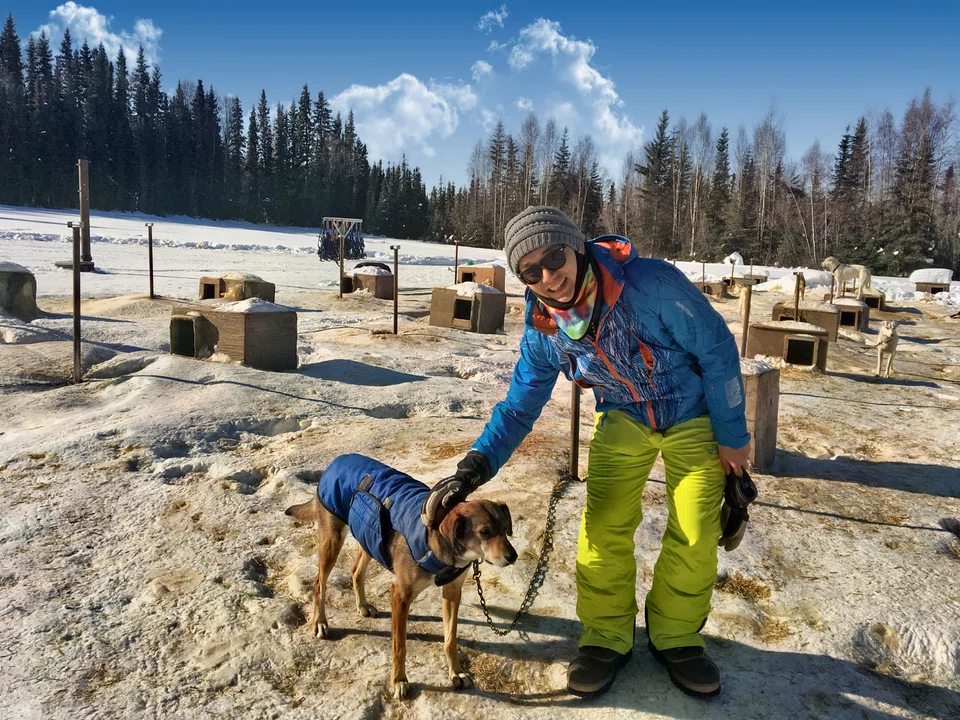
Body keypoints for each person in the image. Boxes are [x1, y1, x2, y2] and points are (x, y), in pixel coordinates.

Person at [422, 206, 751, 698]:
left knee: (695, 527)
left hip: (693, 412)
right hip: (623, 415)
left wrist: (733, 438)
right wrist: (472, 469)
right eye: (530, 271)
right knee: (603, 526)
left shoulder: (653, 285)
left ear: (575, 246)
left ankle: (677, 638)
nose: (549, 277)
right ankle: (605, 639)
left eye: (555, 258)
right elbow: (518, 407)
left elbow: (718, 350)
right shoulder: (544, 331)